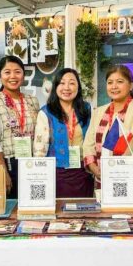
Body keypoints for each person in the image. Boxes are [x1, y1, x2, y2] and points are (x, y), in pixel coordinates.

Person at [83, 64, 133, 185]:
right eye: (110, 82)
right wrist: (93, 167)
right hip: (101, 180)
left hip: (130, 180)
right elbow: (88, 143)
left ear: (131, 85)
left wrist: (118, 172)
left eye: (119, 81)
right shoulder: (98, 112)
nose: (114, 86)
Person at [0, 56, 39, 199]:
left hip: (32, 163)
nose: (13, 76)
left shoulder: (32, 100)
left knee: (34, 204)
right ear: (0, 76)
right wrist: (3, 172)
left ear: (23, 74)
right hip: (9, 163)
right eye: (7, 72)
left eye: (17, 72)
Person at [33, 68, 93, 197]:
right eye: (62, 83)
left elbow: (92, 140)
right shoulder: (46, 112)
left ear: (78, 87)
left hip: (83, 172)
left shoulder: (87, 109)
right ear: (55, 87)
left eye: (72, 83)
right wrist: (40, 175)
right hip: (56, 173)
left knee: (84, 212)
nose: (67, 87)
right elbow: (40, 149)